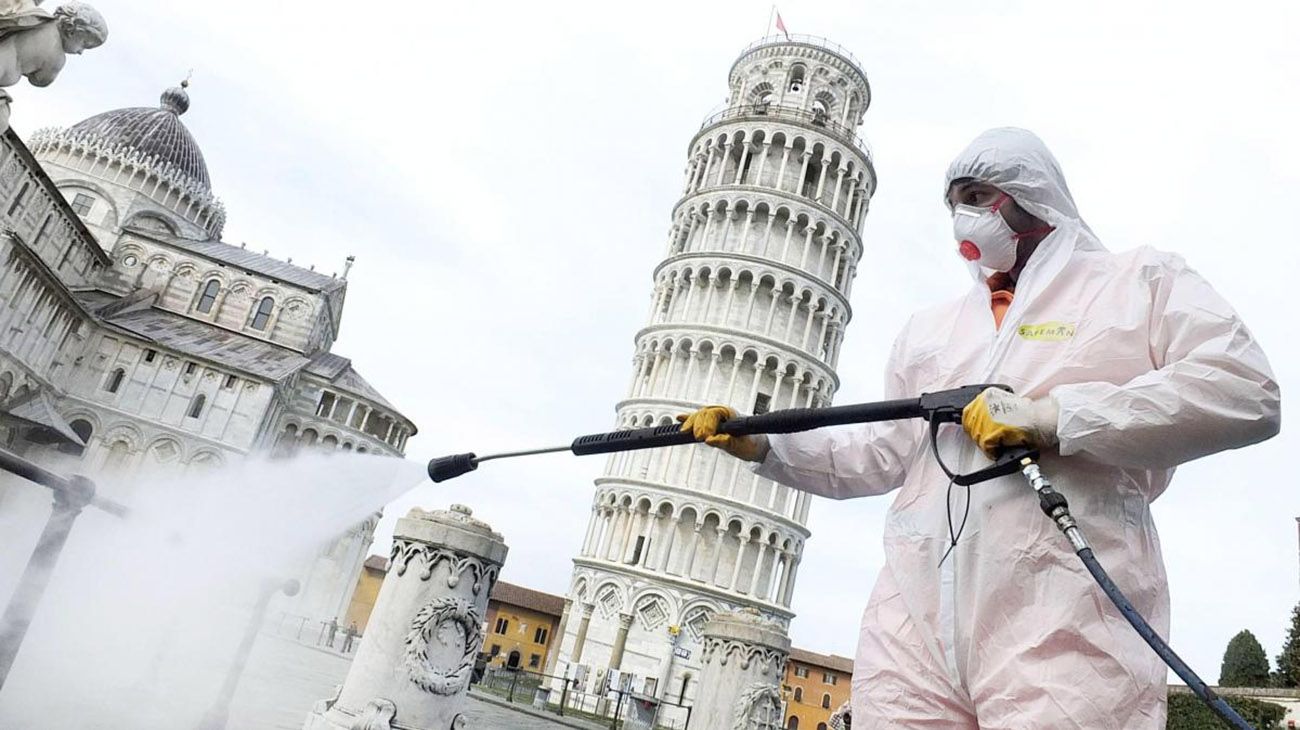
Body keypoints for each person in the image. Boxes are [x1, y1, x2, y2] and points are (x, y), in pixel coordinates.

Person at [678, 128, 1281, 728]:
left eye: (976, 195)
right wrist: (764, 444)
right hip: (914, 626)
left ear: (1031, 193)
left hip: (1063, 619)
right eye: (952, 203)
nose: (962, 217)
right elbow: (879, 451)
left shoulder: (1136, 284)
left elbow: (1241, 388)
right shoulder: (933, 329)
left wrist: (1053, 418)